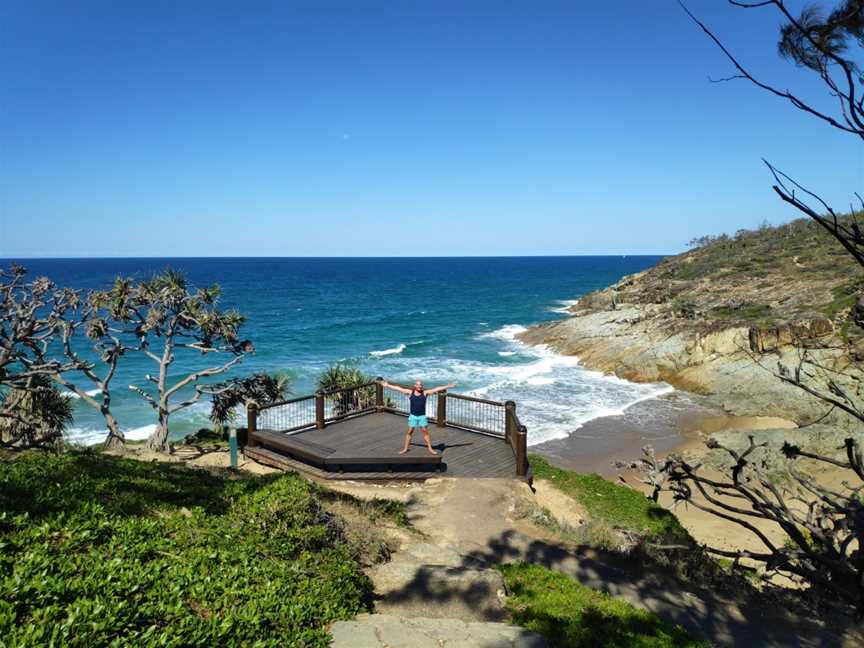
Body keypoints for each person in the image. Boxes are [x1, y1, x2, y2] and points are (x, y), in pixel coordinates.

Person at [381, 379, 455, 455]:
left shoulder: (425, 393)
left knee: (425, 432)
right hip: (413, 416)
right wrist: (387, 385)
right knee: (409, 431)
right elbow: (399, 389)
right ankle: (405, 448)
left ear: (422, 386)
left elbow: (436, 389)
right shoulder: (410, 392)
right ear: (415, 386)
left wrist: (448, 386)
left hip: (422, 417)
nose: (419, 386)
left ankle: (430, 448)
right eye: (418, 385)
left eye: (420, 385)